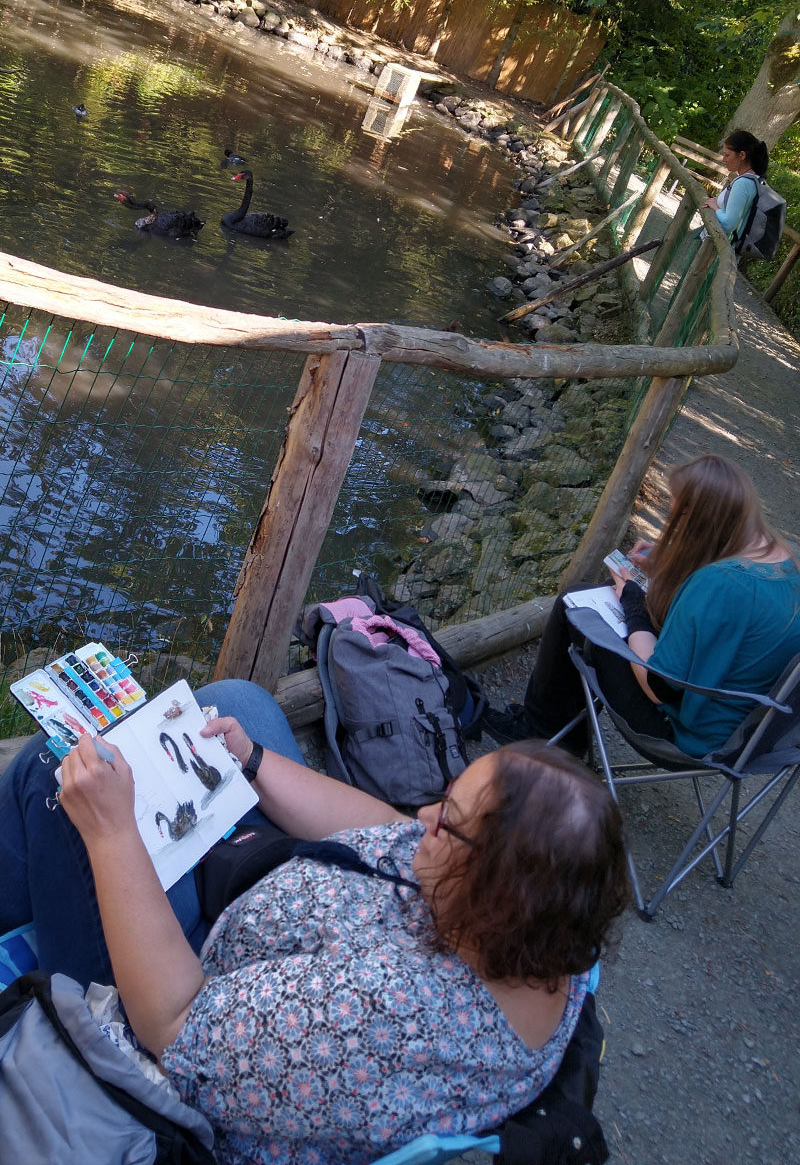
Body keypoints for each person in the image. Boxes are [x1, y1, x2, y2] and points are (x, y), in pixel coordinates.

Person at [0, 678, 629, 1165]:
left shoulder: (372, 1023)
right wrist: (251, 765)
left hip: (172, 1005)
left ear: (494, 895)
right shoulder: (546, 936)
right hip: (275, 899)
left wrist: (112, 832)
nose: (427, 812)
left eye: (448, 820)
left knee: (47, 776)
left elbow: (173, 1028)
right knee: (234, 702)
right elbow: (389, 830)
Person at [483, 454, 800, 759]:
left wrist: (633, 602)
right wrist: (670, 563)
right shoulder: (783, 559)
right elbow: (722, 619)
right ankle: (564, 737)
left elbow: (659, 687)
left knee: (575, 603)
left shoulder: (718, 584)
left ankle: (538, 732)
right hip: (750, 738)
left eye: (679, 523)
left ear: (698, 523)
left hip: (684, 736)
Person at [702, 129, 769, 244]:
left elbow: (728, 224)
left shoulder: (744, 183)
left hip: (718, 248)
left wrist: (715, 207)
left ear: (742, 155)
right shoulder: (755, 180)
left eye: (727, 155)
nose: (723, 159)